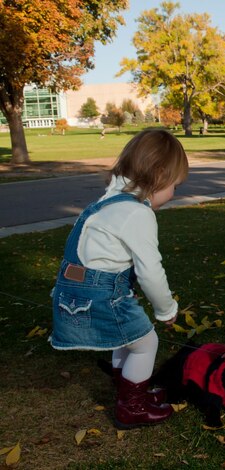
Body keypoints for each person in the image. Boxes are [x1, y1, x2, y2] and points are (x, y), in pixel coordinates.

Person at [49, 129, 189, 428]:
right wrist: (166, 309)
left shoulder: (109, 200)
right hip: (98, 292)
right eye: (175, 185)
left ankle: (126, 386)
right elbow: (150, 270)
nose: (174, 193)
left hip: (75, 286)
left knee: (127, 335)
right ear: (160, 175)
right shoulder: (137, 213)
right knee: (145, 342)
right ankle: (132, 406)